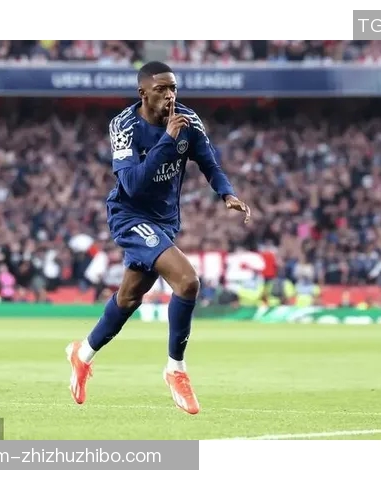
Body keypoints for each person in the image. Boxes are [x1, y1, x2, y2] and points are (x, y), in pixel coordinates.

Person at [65, 62, 251, 414]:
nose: (170, 96)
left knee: (129, 298)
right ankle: (175, 369)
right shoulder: (124, 126)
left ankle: (82, 353)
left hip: (165, 221)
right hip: (129, 216)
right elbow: (132, 185)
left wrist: (227, 193)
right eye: (162, 89)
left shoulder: (188, 120)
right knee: (187, 281)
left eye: (174, 88)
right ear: (143, 93)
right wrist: (167, 141)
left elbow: (209, 164)